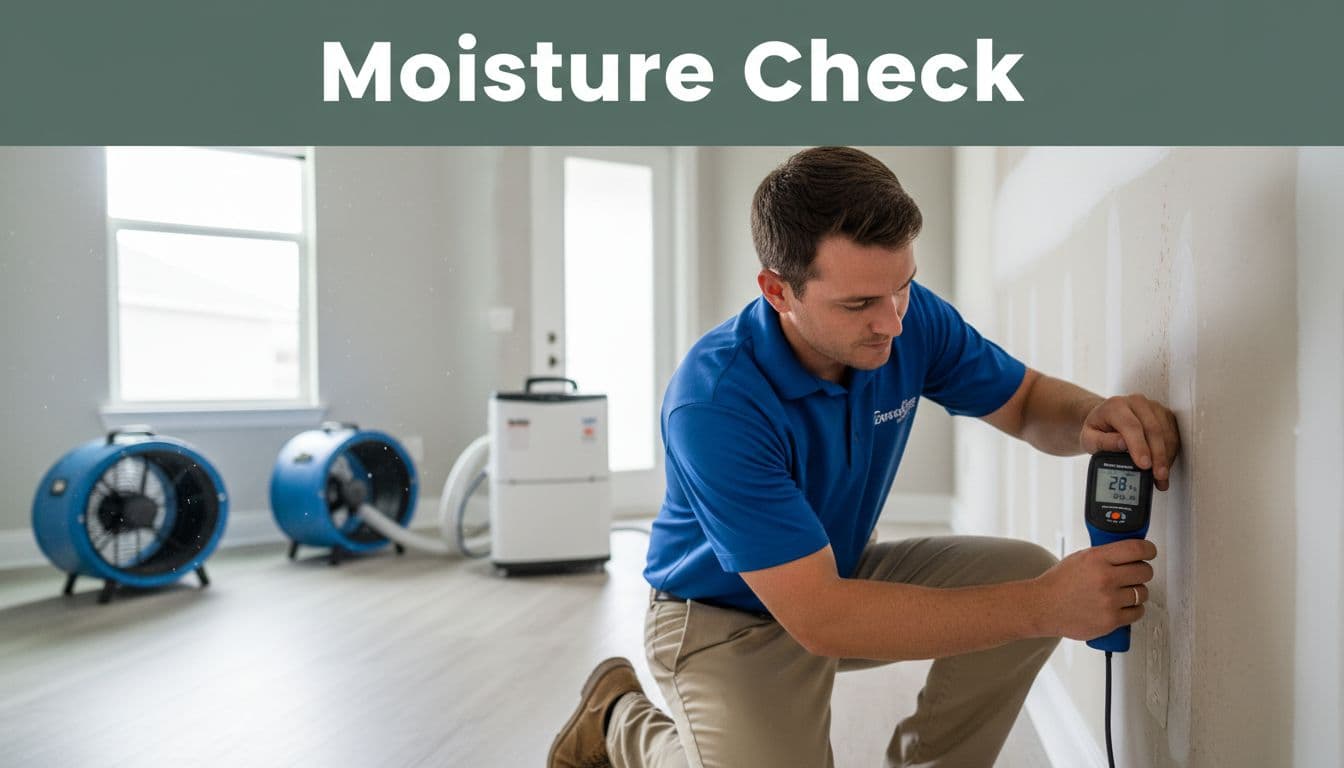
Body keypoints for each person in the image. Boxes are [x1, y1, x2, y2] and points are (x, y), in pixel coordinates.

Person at [548, 146, 1179, 768]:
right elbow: (822, 619)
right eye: (858, 305)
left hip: (831, 579)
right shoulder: (715, 404)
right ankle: (620, 722)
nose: (892, 323)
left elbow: (1027, 402)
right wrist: (1045, 605)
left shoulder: (909, 315)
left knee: (1023, 568)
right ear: (778, 290)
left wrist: (1096, 416)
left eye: (900, 288)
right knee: (1035, 595)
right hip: (721, 616)